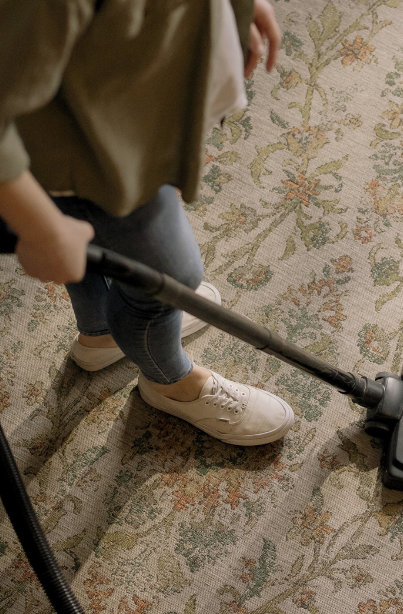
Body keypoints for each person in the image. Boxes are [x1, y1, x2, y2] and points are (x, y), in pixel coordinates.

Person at [0, 0, 294, 446]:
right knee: (170, 278)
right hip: (93, 153)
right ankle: (170, 383)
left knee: (91, 237)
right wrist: (39, 227)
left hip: (102, 102)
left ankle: (100, 336)